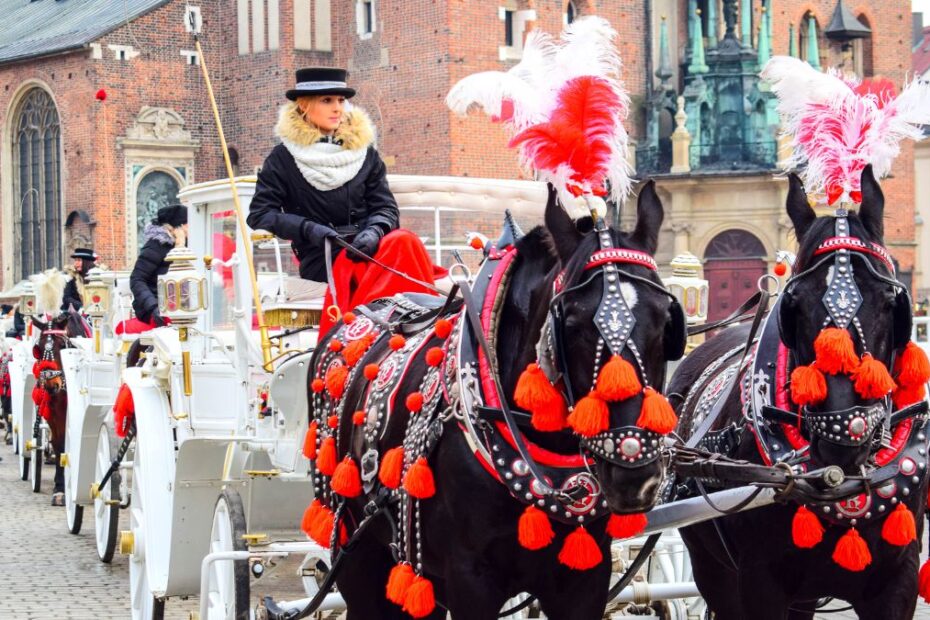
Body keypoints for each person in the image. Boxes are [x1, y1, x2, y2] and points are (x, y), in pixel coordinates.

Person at [247, 67, 442, 335]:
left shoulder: (365, 154)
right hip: (324, 253)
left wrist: (375, 230)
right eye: (327, 101)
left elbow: (385, 207)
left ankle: (409, 327)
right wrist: (308, 229)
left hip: (369, 245)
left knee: (404, 240)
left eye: (341, 100)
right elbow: (260, 214)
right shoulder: (282, 158)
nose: (337, 108)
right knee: (400, 244)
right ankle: (377, 333)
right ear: (304, 107)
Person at [124, 204, 187, 333]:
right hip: (154, 310)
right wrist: (154, 307)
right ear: (178, 227)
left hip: (179, 306)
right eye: (188, 223)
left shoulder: (186, 244)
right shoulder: (156, 246)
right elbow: (137, 279)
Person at [61, 247, 97, 312]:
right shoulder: (71, 278)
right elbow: (66, 298)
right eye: (75, 260)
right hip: (77, 314)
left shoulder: (97, 277)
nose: (75, 263)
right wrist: (81, 306)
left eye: (79, 260)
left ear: (87, 262)